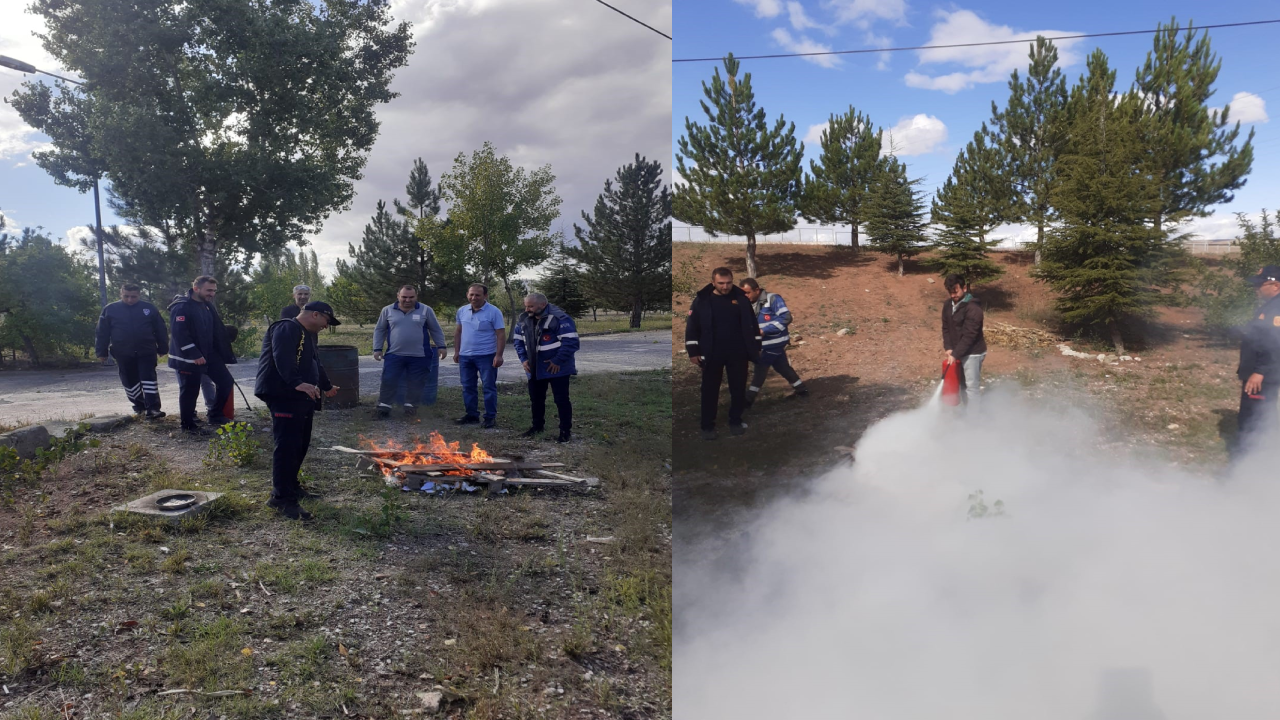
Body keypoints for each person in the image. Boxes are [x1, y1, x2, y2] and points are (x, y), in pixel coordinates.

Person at [254, 302, 341, 521]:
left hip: (300, 397)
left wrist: (327, 386)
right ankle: (281, 498)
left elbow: (314, 362)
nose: (326, 326)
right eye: (326, 321)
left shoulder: (307, 334)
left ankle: (292, 486)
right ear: (315, 314)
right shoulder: (286, 327)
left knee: (300, 443)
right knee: (286, 446)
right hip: (283, 395)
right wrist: (296, 383)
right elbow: (281, 357)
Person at [685, 267, 760, 440]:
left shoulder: (741, 298)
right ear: (713, 283)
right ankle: (707, 426)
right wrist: (693, 351)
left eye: (728, 283)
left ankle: (735, 421)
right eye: (721, 283)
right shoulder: (702, 300)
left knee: (738, 389)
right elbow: (692, 327)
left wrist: (756, 346)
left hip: (738, 353)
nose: (725, 287)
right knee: (710, 390)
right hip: (711, 353)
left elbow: (752, 324)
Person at [167, 276, 237, 436]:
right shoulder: (182, 307)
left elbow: (214, 330)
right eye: (209, 290)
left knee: (226, 382)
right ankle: (188, 425)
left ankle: (215, 415)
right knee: (190, 390)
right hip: (188, 357)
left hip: (209, 354)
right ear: (196, 288)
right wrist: (194, 354)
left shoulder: (206, 306)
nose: (212, 294)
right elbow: (179, 334)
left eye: (214, 291)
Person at [95, 283, 169, 420]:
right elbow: (102, 332)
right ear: (121, 294)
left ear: (139, 295)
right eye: (126, 296)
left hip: (146, 350)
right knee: (129, 381)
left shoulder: (148, 308)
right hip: (123, 352)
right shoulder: (110, 309)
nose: (130, 299)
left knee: (149, 379)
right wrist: (101, 352)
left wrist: (163, 347)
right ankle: (139, 407)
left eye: (133, 297)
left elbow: (160, 328)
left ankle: (153, 409)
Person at [513, 292, 579, 442]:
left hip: (557, 368)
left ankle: (565, 431)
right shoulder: (524, 320)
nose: (527, 309)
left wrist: (557, 361)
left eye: (530, 306)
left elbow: (571, 343)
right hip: (534, 368)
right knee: (536, 399)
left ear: (542, 305)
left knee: (561, 400)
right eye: (526, 306)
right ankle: (537, 427)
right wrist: (524, 360)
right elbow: (518, 342)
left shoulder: (560, 318)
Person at [372, 286, 446, 418]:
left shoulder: (425, 310)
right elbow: (380, 330)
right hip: (394, 354)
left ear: (416, 297)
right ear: (398, 296)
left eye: (411, 297)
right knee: (389, 380)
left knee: (416, 382)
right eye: (404, 297)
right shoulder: (387, 310)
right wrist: (377, 348)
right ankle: (384, 407)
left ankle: (411, 407)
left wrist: (442, 346)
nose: (407, 300)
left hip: (420, 356)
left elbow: (435, 329)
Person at [1233, 265, 1280, 460]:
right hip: (1260, 373)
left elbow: (1275, 344)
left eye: (1260, 285)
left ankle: (1248, 465)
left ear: (1275, 285)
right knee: (1253, 418)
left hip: (1263, 377)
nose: (1256, 289)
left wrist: (1259, 371)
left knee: (1254, 421)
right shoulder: (1269, 305)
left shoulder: (1277, 308)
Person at [739, 278, 807, 408]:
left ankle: (748, 400)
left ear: (757, 290)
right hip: (762, 344)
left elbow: (786, 317)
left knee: (760, 368)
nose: (745, 296)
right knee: (782, 367)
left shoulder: (773, 299)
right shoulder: (747, 304)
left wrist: (764, 330)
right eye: (743, 294)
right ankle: (802, 390)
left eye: (748, 293)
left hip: (773, 343)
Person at [453, 284, 506, 428]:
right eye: (471, 294)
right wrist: (457, 351)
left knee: (488, 387)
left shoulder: (493, 312)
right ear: (467, 294)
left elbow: (500, 334)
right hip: (465, 356)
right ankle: (471, 415)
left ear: (485, 296)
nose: (473, 297)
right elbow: (458, 332)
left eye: (477, 295)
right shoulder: (462, 311)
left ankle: (490, 417)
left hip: (486, 356)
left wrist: (499, 355)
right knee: (467, 387)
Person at [941, 274, 987, 409]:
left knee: (972, 388)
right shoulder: (947, 305)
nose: (953, 295)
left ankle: (973, 421)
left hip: (973, 352)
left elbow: (969, 336)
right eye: (950, 292)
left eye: (956, 291)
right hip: (957, 351)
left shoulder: (973, 309)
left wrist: (955, 354)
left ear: (964, 288)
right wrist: (949, 348)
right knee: (961, 385)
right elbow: (946, 328)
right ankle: (966, 412)